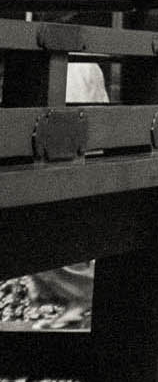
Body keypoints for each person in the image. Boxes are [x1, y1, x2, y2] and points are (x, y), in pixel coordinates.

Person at [26, 57, 109, 327]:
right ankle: (75, 295)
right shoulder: (86, 64)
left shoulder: (74, 68)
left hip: (64, 150)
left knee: (48, 217)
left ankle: (82, 295)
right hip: (79, 148)